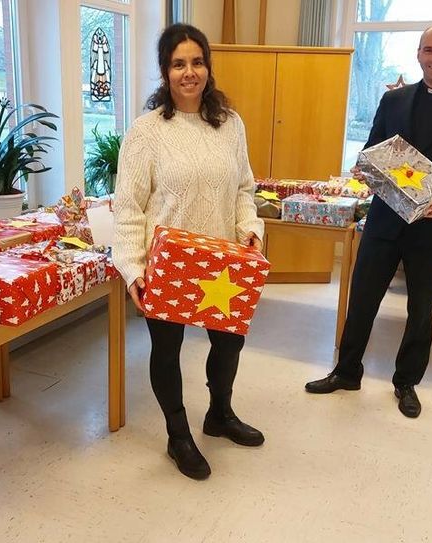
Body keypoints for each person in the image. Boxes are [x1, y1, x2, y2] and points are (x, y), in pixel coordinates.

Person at [305, 24, 432, 418]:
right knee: (361, 299)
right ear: (418, 54)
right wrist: (366, 168)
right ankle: (346, 371)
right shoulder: (393, 101)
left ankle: (406, 382)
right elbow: (371, 149)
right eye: (428, 50)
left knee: (421, 308)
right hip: (384, 220)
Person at [113, 24, 265, 480]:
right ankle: (177, 435)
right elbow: (128, 206)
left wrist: (250, 229)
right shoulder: (146, 132)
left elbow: (244, 188)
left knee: (229, 340)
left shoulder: (230, 123)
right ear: (165, 71)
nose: (189, 72)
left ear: (208, 67)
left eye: (197, 62)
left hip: (223, 260)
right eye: (179, 63)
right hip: (170, 263)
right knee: (167, 347)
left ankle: (219, 414)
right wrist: (132, 268)